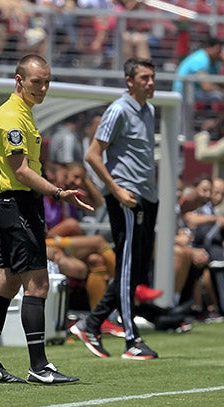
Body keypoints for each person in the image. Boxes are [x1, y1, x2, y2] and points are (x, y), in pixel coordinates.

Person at [0, 54, 91, 385]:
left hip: (16, 206)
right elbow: (21, 171)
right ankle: (39, 367)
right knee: (38, 284)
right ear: (19, 80)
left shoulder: (23, 113)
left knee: (6, 282)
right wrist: (58, 192)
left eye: (46, 82)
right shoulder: (12, 116)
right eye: (36, 82)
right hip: (18, 205)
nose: (42, 88)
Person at [71, 58, 160, 360]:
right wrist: (117, 188)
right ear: (129, 81)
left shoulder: (148, 110)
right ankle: (131, 339)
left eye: (152, 77)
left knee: (135, 268)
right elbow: (93, 155)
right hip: (126, 197)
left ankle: (92, 323)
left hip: (146, 197)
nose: (150, 82)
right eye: (145, 77)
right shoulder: (118, 110)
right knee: (126, 265)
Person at [172, 36, 223, 102]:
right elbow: (206, 86)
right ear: (209, 48)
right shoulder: (201, 59)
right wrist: (221, 90)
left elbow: (218, 82)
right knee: (217, 96)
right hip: (183, 94)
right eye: (218, 50)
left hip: (194, 92)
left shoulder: (212, 62)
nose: (220, 53)